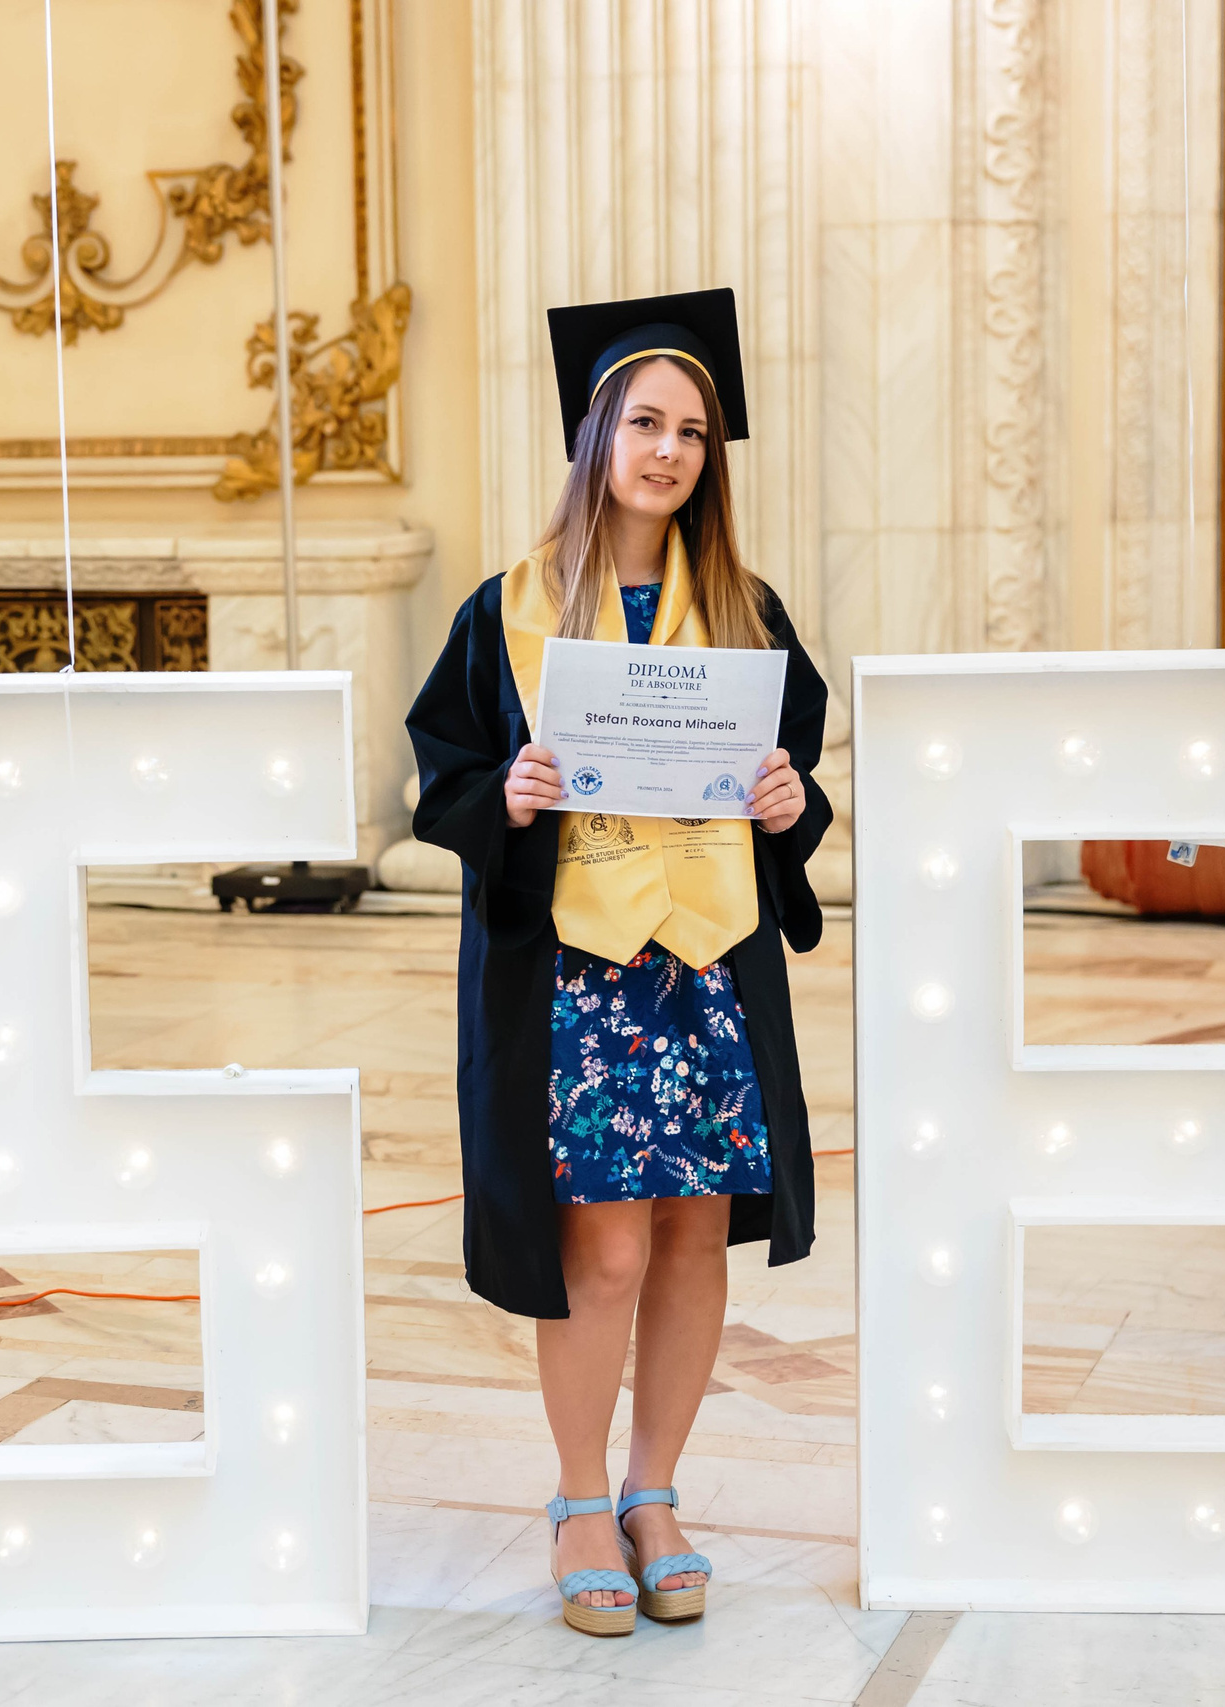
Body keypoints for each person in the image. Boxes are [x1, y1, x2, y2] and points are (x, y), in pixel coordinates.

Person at [405, 288, 834, 1637]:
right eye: (645, 421)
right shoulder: (510, 608)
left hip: (705, 969)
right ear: (596, 436)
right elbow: (444, 784)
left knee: (697, 1233)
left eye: (694, 432)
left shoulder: (746, 612)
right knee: (603, 1250)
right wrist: (512, 793)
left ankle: (659, 1491)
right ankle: (582, 1498)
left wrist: (787, 805)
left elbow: (794, 774)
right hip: (579, 977)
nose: (668, 451)